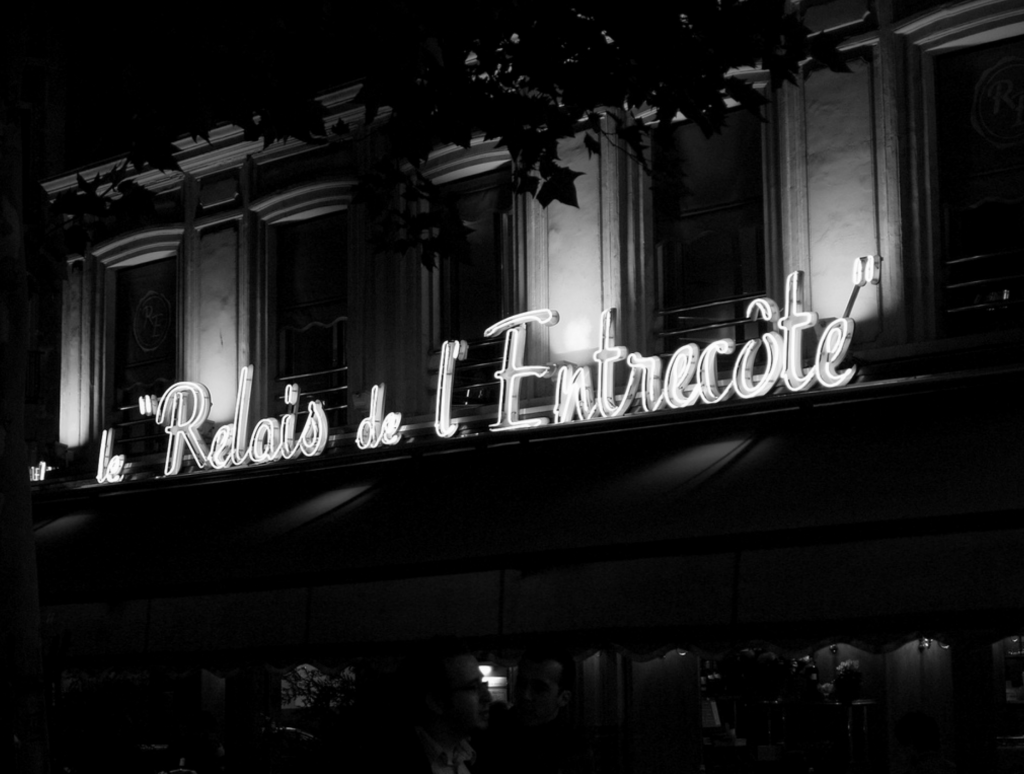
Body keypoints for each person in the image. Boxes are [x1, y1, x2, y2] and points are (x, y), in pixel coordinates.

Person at [376, 639, 492, 773]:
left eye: (482, 684)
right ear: (437, 702)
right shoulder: (393, 761)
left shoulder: (477, 754)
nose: (488, 697)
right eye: (473, 687)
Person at [475, 647, 589, 774]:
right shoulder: (490, 731)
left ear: (564, 698)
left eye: (539, 688)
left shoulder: (572, 749)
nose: (525, 695)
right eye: (521, 683)